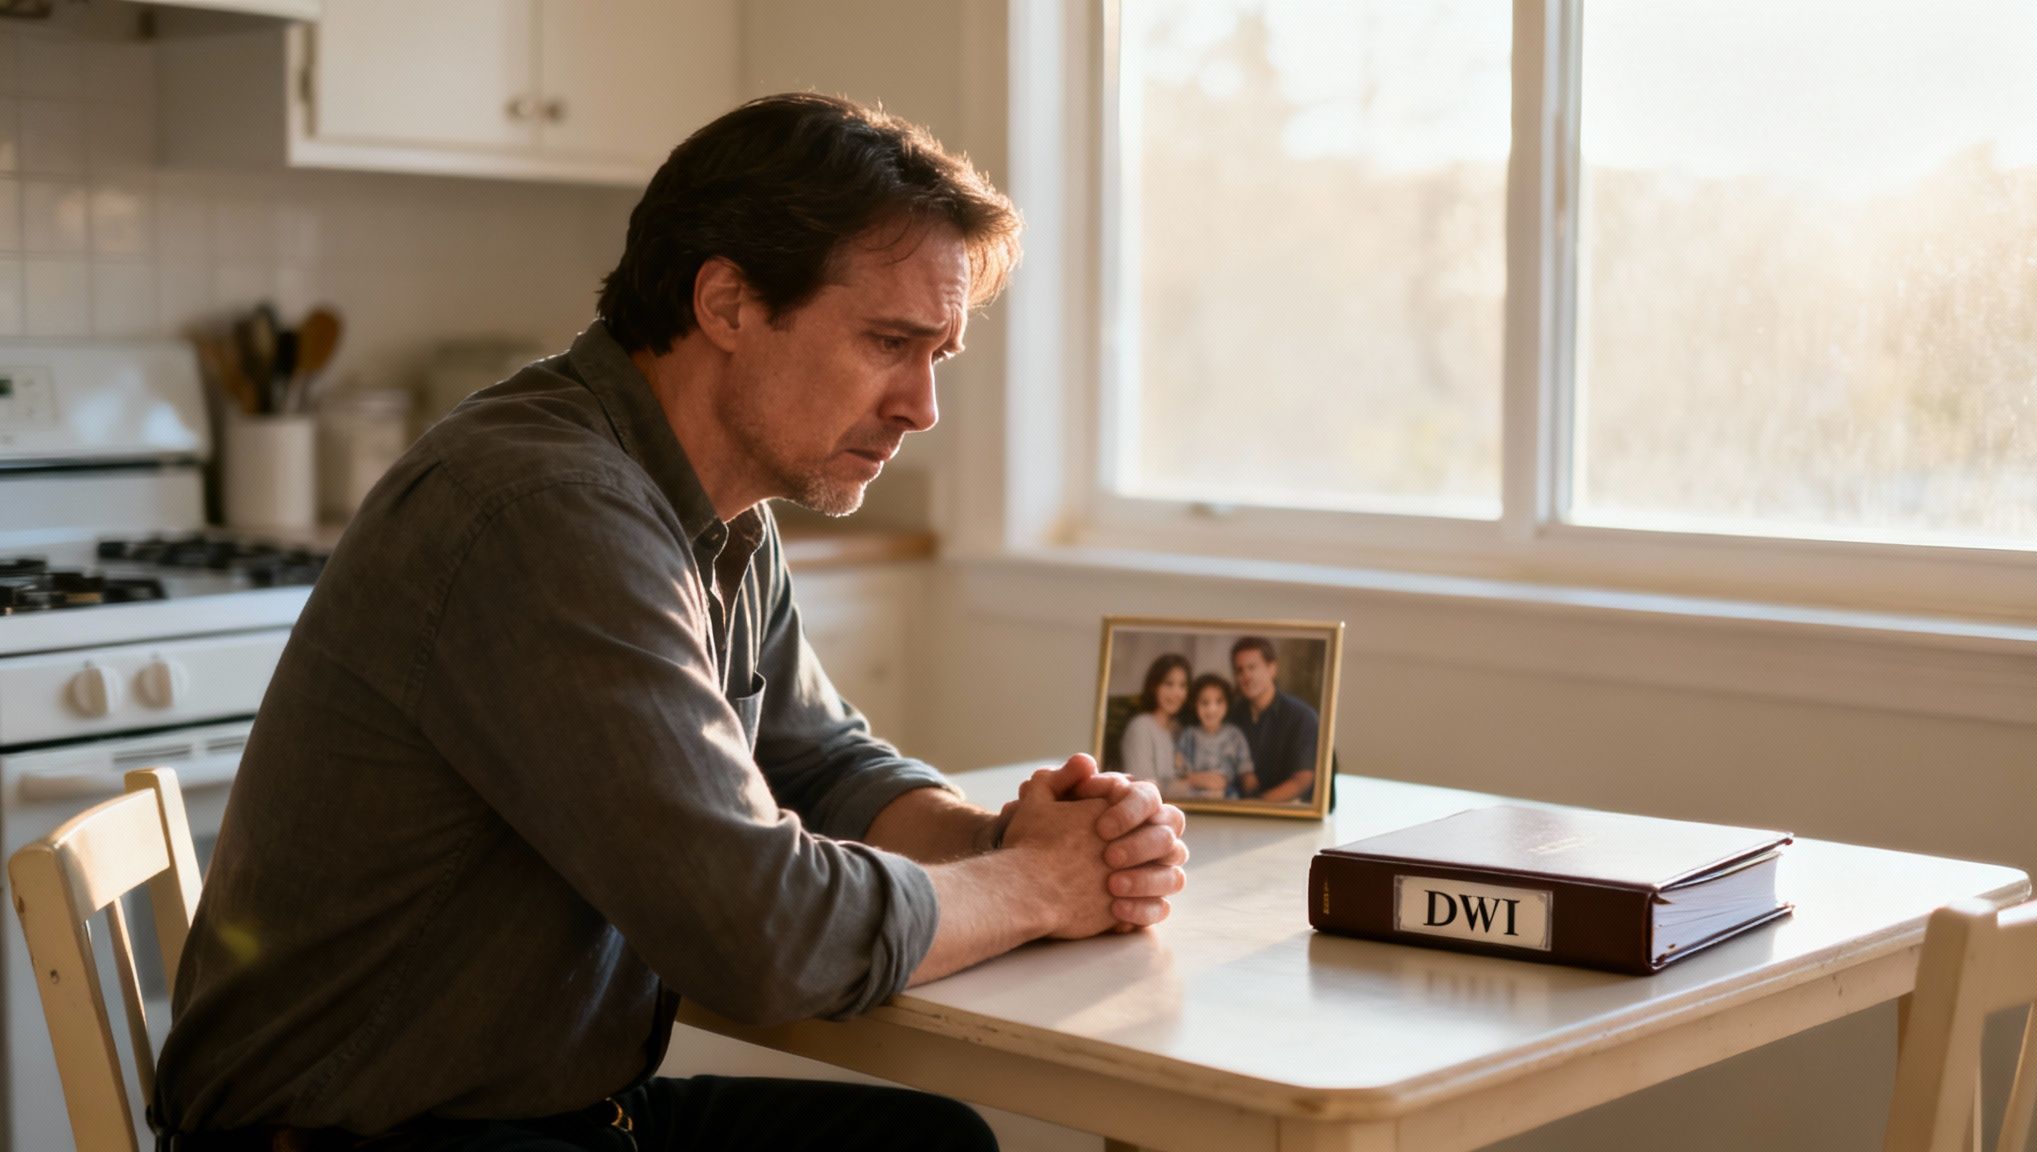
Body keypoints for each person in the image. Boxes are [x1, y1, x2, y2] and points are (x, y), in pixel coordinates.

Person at [151, 94, 1189, 1152]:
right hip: (357, 1138)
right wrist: (1033, 884)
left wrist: (1007, 840)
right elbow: (761, 934)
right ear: (728, 304)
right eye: (889, 342)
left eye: (938, 357)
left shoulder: (715, 505)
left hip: (544, 1113)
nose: (921, 406)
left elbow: (820, 762)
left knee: (931, 1146)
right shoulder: (546, 511)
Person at [1227, 636, 1321, 803]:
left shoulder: (1302, 716)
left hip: (1287, 813)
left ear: (1272, 669)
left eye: (1252, 667)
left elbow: (1303, 780)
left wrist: (1257, 805)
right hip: (1237, 811)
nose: (1246, 676)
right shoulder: (1232, 715)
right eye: (1239, 670)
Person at [1118, 653, 1189, 789]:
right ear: (1154, 686)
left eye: (1182, 685)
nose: (1177, 693)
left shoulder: (1178, 730)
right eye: (1169, 684)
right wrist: (1193, 783)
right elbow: (1143, 787)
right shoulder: (1140, 727)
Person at [1172, 674, 1248, 800]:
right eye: (1205, 703)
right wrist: (1199, 779)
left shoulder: (1235, 735)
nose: (1211, 709)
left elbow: (1245, 770)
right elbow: (1179, 768)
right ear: (1194, 704)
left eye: (1219, 702)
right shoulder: (1189, 735)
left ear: (1227, 704)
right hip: (1194, 799)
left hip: (1229, 799)